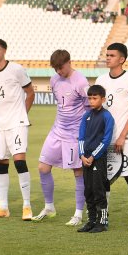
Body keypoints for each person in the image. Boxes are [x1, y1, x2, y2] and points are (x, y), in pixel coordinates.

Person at [0, 39, 35, 220]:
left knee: (19, 161)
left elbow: (30, 92)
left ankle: (27, 206)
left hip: (17, 122)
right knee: (1, 163)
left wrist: (22, 114)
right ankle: (3, 207)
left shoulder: (16, 69)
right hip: (0, 124)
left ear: (4, 51)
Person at [32, 50, 90, 226]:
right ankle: (49, 207)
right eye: (55, 68)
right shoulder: (54, 79)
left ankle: (79, 213)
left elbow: (89, 108)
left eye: (61, 67)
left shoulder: (81, 82)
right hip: (57, 131)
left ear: (69, 62)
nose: (58, 71)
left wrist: (85, 135)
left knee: (78, 172)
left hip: (75, 136)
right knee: (43, 167)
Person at [96, 43, 128, 230]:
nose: (108, 58)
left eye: (112, 55)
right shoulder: (100, 79)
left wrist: (122, 135)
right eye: (107, 55)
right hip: (105, 139)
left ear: (122, 59)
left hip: (125, 139)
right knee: (104, 178)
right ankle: (103, 217)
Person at [76, 84, 114, 234]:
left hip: (98, 159)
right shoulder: (86, 115)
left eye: (94, 98)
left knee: (99, 190)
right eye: (89, 98)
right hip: (86, 159)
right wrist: (82, 155)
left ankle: (102, 221)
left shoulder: (107, 116)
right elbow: (81, 137)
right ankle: (91, 221)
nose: (91, 101)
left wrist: (93, 156)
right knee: (88, 190)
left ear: (102, 99)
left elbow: (106, 140)